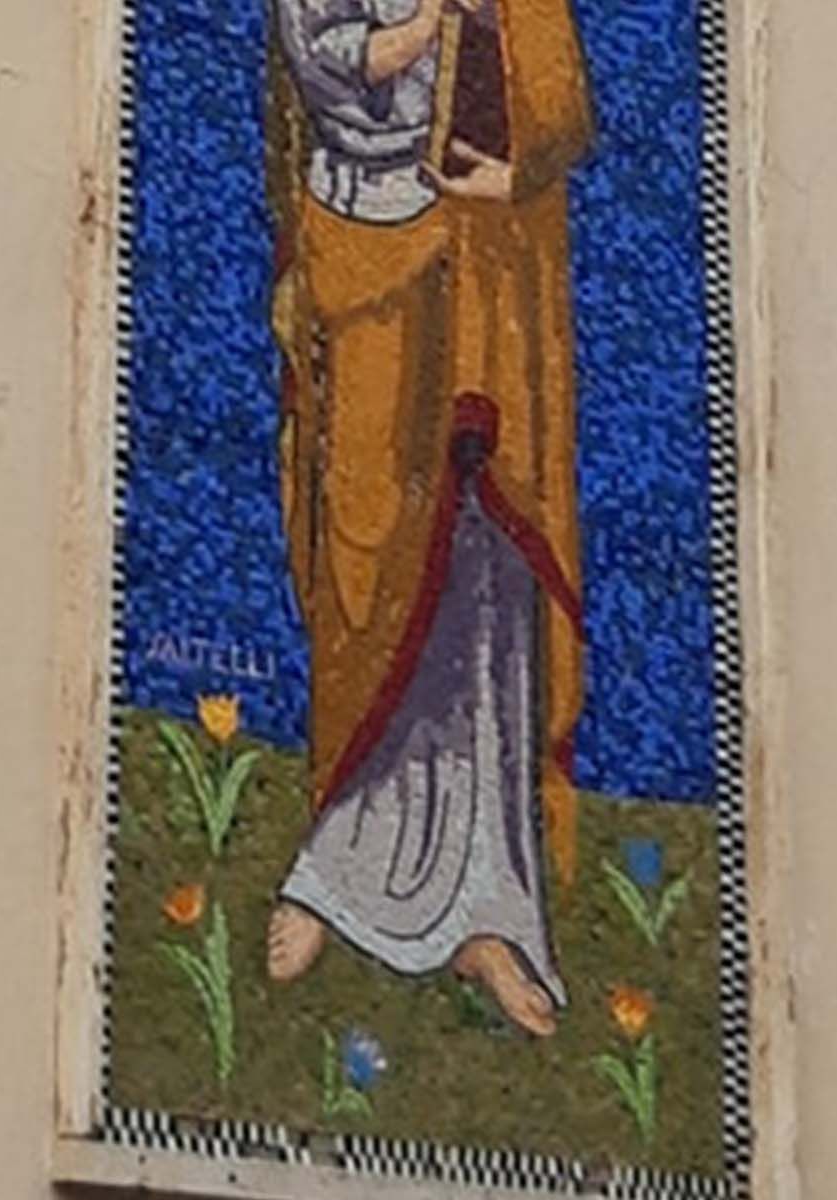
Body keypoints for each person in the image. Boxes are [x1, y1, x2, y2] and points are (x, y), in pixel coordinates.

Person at [260, 0, 593, 1038]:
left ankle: (490, 907)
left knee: (480, 571)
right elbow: (319, 55)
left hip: (482, 267)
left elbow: (556, 92)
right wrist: (428, 27)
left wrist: (519, 159)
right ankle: (335, 869)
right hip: (362, 243)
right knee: (367, 560)